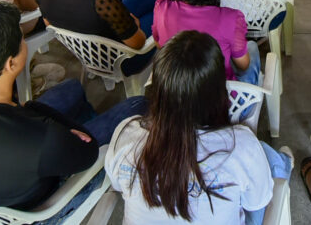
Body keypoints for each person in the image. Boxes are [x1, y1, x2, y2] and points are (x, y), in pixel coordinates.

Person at [0, 1, 147, 211]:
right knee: (138, 104)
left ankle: (78, 132)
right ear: (10, 63)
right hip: (40, 205)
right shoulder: (43, 141)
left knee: (71, 89)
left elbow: (26, 115)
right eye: (21, 39)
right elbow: (88, 155)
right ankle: (81, 136)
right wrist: (69, 135)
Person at [105, 31, 274, 223]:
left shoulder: (127, 135)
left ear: (158, 87)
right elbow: (257, 201)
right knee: (273, 165)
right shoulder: (241, 145)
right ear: (219, 90)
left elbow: (118, 184)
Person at [153, 0, 259, 84]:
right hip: (221, 96)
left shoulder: (162, 8)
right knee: (252, 47)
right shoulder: (231, 18)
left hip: (176, 91)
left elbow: (159, 44)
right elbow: (243, 65)